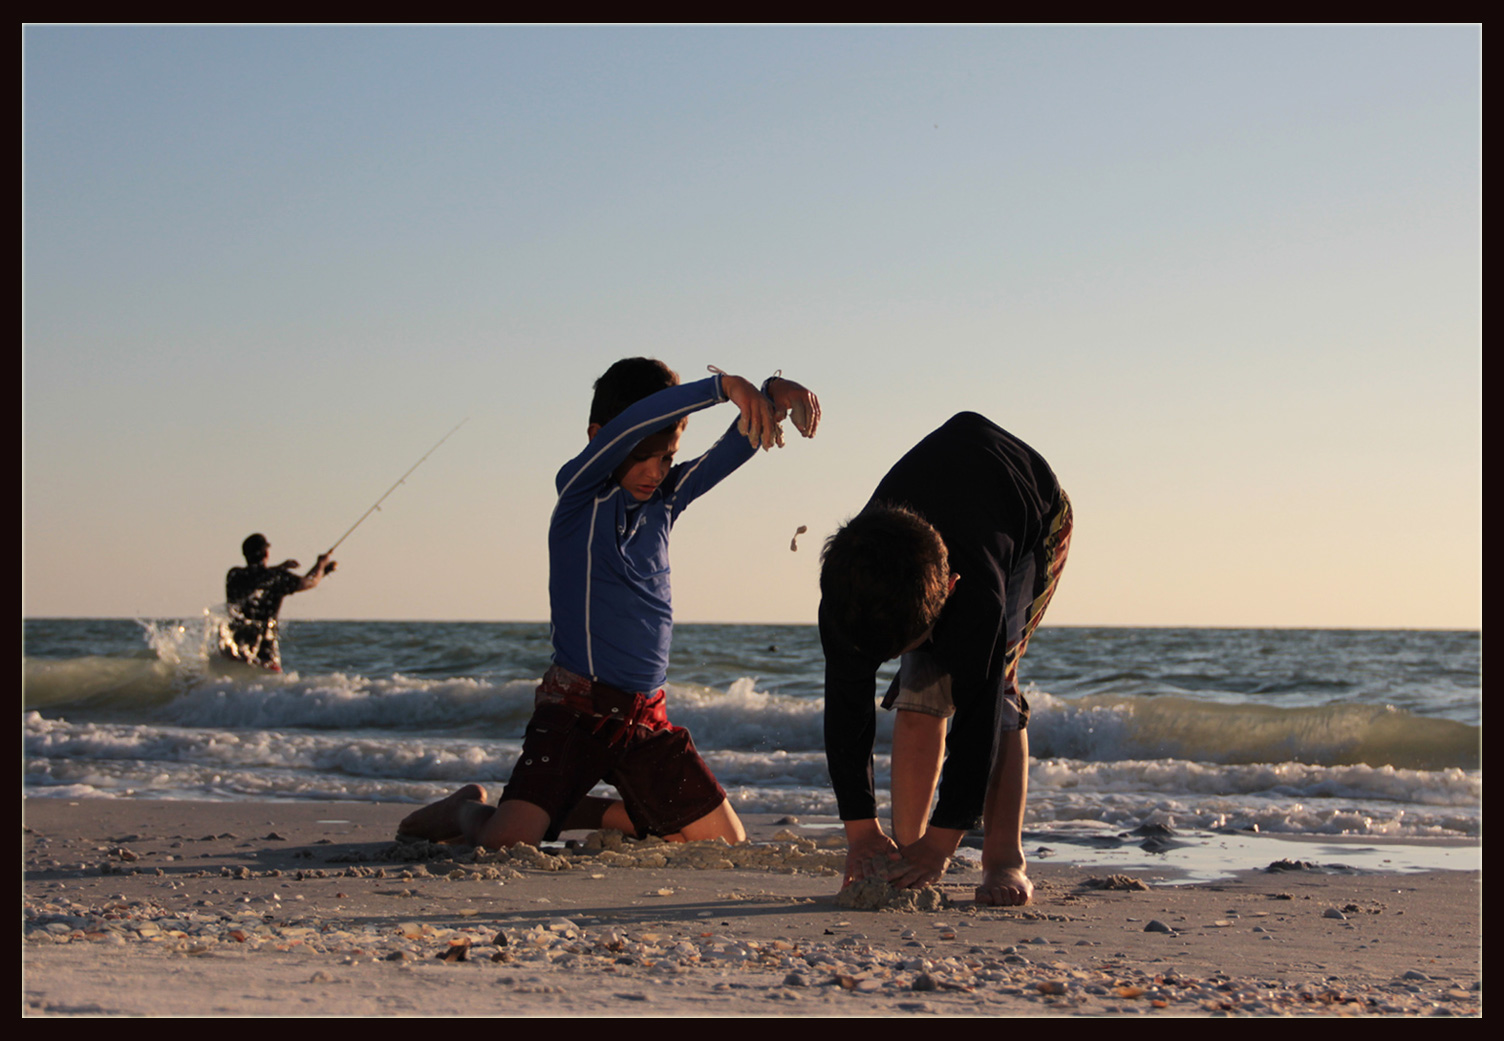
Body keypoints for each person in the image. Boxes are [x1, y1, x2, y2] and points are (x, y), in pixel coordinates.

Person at [399, 358, 820, 848]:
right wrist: (723, 386)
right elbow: (632, 426)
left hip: (647, 721)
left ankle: (565, 810)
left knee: (721, 842)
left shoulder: (664, 501)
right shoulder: (579, 495)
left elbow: (733, 446)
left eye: (665, 456)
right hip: (575, 713)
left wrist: (772, 395)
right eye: (641, 455)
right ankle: (468, 812)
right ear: (599, 438)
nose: (654, 471)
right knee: (503, 847)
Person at [818, 412, 1071, 906]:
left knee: (995, 694)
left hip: (1033, 521)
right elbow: (845, 711)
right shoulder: (845, 594)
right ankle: (905, 850)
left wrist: (945, 841)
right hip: (919, 541)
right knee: (918, 689)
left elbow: (975, 732)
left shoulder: (978, 602)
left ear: (949, 592)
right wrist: (861, 832)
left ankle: (1004, 857)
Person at [219, 534, 337, 671]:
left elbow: (256, 578)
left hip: (234, 648)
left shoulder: (234, 575)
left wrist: (279, 568)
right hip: (264, 653)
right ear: (266, 553)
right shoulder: (277, 578)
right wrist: (321, 565)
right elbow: (310, 581)